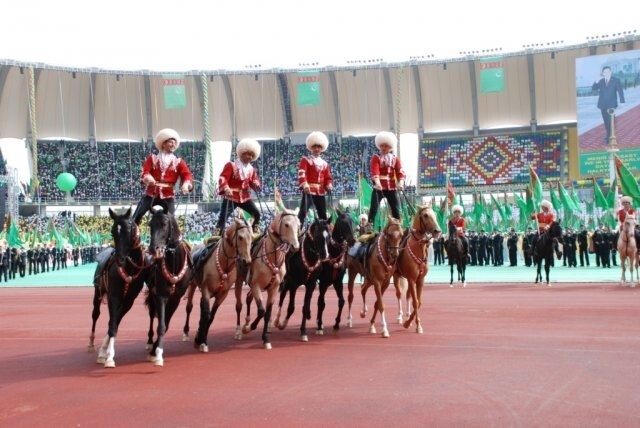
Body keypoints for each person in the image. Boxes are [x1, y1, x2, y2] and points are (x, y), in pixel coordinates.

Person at [132, 128, 193, 225]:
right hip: (151, 193)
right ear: (163, 144)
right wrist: (147, 177)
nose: (173, 145)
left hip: (168, 195)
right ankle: (133, 237)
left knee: (171, 220)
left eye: (174, 143)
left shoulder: (178, 162)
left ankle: (172, 239)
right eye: (171, 142)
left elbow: (187, 175)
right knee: (136, 216)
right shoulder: (152, 159)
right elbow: (145, 171)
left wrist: (186, 184)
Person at [214, 138, 262, 236]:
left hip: (244, 197)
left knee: (256, 213)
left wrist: (256, 184)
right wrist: (226, 188)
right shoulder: (231, 165)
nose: (250, 157)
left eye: (252, 155)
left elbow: (254, 180)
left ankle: (254, 229)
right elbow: (223, 178)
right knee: (223, 218)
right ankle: (217, 234)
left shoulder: (251, 169)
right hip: (231, 196)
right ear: (242, 153)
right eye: (248, 154)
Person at [368, 131, 405, 228]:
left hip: (392, 188)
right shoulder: (376, 158)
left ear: (390, 147)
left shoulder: (395, 159)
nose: (383, 148)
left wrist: (401, 183)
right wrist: (377, 183)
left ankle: (397, 226)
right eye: (382, 146)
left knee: (396, 208)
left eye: (386, 146)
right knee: (374, 207)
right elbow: (375, 171)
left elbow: (400, 172)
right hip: (379, 187)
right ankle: (369, 225)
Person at [297, 131, 333, 226]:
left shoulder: (325, 164)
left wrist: (329, 184)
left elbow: (328, 178)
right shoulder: (305, 160)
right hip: (309, 191)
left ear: (321, 148)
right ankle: (297, 232)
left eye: (318, 147)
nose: (316, 149)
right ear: (311, 148)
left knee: (323, 216)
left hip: (320, 192)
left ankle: (324, 235)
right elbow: (301, 173)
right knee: (303, 212)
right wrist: (305, 184)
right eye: (314, 147)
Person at [592, 65, 625, 143]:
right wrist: (596, 81)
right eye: (604, 72)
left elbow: (620, 91)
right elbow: (594, 88)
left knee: (611, 121)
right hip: (602, 105)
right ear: (603, 73)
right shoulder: (601, 81)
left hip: (611, 105)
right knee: (606, 121)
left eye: (608, 71)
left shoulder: (616, 80)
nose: (606, 73)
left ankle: (609, 137)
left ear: (610, 72)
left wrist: (622, 101)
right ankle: (609, 135)